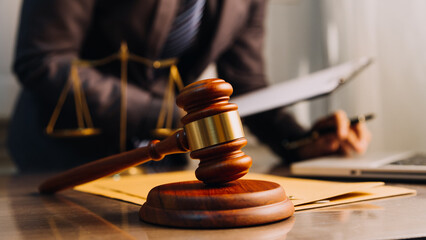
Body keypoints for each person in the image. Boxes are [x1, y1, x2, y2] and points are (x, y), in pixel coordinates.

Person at [7, 0, 371, 172]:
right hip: (62, 159)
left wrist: (302, 143)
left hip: (164, 164)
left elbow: (244, 84)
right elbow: (43, 60)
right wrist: (167, 114)